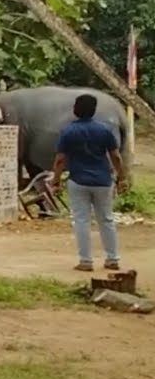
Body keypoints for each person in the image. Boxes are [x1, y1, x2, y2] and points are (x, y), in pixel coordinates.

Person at [52, 93, 127, 272]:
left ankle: (86, 261)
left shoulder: (68, 131)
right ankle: (112, 259)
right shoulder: (104, 130)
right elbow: (115, 156)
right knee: (107, 220)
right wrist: (121, 177)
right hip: (103, 180)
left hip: (78, 181)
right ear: (93, 111)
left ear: (76, 110)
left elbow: (60, 160)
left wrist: (56, 181)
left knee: (82, 221)